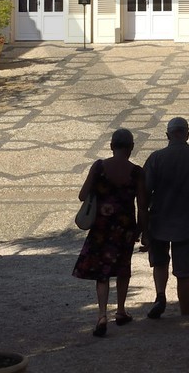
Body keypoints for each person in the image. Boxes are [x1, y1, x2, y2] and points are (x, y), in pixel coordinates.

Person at [140, 116, 189, 317]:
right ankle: (185, 313)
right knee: (184, 272)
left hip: (158, 220)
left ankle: (160, 296)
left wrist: (143, 227)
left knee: (159, 262)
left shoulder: (156, 158)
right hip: (186, 222)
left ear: (167, 135)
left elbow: (144, 194)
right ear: (187, 134)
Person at [72, 128, 147, 337]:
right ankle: (121, 311)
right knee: (123, 268)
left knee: (102, 271)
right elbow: (142, 205)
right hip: (125, 227)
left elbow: (82, 195)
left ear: (111, 146)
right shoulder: (137, 172)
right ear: (131, 147)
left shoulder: (99, 167)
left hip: (101, 226)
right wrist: (144, 231)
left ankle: (102, 314)